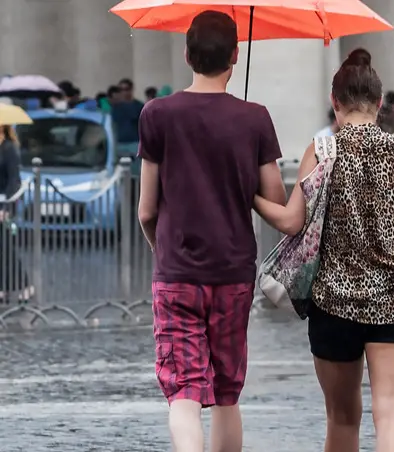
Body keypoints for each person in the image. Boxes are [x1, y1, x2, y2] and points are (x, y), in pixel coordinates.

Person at [252, 48, 394, 452]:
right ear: (380, 103)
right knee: (393, 418)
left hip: (335, 305)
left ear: (335, 102)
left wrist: (251, 197)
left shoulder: (322, 151)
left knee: (342, 420)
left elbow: (291, 222)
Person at [136, 11, 286, 452]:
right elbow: (275, 196)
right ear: (236, 57)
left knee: (183, 390)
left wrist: (160, 249)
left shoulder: (157, 114)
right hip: (233, 272)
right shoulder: (254, 117)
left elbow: (147, 209)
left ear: (187, 54)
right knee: (226, 392)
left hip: (177, 271)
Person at [0, 125, 33, 305]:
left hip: (4, 203)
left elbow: (14, 180)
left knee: (6, 247)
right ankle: (3, 288)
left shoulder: (9, 148)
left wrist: (6, 208)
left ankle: (25, 285)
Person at [114, 78, 145, 174]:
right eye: (121, 90)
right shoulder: (115, 107)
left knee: (135, 173)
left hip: (134, 143)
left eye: (126, 89)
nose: (124, 92)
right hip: (118, 143)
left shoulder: (139, 106)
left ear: (131, 90)